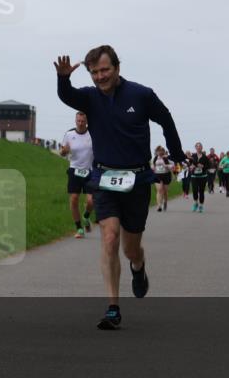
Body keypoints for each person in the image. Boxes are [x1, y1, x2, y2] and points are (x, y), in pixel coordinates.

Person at [54, 46, 185, 330]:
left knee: (130, 249)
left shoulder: (141, 95)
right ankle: (113, 307)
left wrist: (176, 153)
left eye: (105, 70)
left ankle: (138, 267)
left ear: (117, 68)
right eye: (95, 72)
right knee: (110, 237)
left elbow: (166, 119)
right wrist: (63, 79)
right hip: (104, 178)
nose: (100, 77)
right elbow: (68, 96)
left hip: (137, 180)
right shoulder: (89, 98)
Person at [60, 112, 95, 237]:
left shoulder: (92, 133)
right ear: (75, 121)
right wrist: (64, 151)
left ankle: (86, 216)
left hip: (89, 171)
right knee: (74, 199)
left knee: (91, 201)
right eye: (78, 121)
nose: (80, 123)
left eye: (82, 121)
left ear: (86, 122)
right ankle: (79, 228)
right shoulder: (69, 134)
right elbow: (62, 153)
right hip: (74, 170)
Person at [189, 142, 210, 213]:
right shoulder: (193, 156)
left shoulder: (205, 157)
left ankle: (201, 205)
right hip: (194, 176)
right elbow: (189, 164)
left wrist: (203, 166)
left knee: (201, 191)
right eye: (197, 146)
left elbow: (208, 166)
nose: (198, 148)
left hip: (202, 176)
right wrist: (191, 167)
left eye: (200, 146)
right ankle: (195, 203)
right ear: (195, 148)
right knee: (194, 190)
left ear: (202, 148)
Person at [151, 145, 173, 212]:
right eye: (158, 151)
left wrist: (166, 166)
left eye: (161, 150)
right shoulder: (155, 159)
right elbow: (152, 165)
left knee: (165, 191)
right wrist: (153, 167)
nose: (159, 152)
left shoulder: (166, 158)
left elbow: (173, 165)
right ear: (156, 152)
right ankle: (159, 205)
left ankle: (165, 202)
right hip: (157, 175)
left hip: (166, 175)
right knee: (159, 190)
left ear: (163, 151)